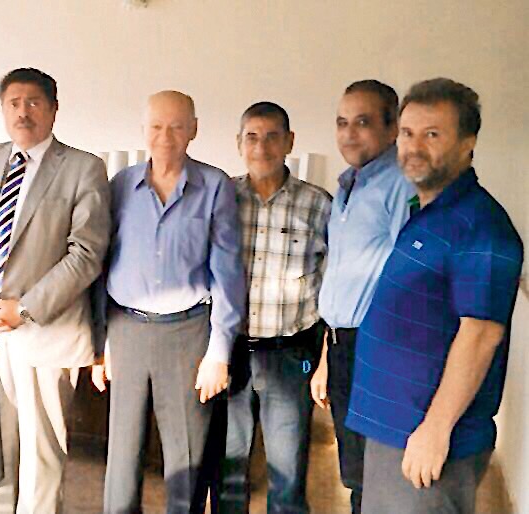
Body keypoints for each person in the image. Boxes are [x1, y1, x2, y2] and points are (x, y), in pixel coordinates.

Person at [346, 78, 523, 513]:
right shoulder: (426, 213)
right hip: (395, 429)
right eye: (408, 133)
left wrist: (435, 430)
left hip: (428, 441)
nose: (414, 147)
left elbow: (481, 334)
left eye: (432, 134)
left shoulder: (482, 226)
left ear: (468, 143)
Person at [0, 67, 110, 513]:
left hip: (48, 331)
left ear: (54, 110)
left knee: (40, 456)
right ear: (2, 109)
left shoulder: (83, 168)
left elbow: (86, 254)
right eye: (13, 103)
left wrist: (25, 309)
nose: (23, 112)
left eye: (34, 102)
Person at [92, 90, 245, 513]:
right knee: (122, 455)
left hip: (188, 332)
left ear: (193, 130)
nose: (165, 137)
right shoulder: (121, 185)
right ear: (143, 129)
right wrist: (101, 344)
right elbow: (102, 265)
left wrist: (219, 353)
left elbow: (228, 274)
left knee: (186, 458)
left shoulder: (215, 186)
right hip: (126, 329)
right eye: (157, 126)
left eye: (177, 126)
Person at [219, 102, 332, 514]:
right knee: (228, 473)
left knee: (288, 476)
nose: (261, 147)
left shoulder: (319, 205)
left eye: (272, 137)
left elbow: (334, 291)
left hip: (291, 354)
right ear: (239, 143)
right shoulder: (222, 199)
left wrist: (324, 360)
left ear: (289, 142)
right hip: (231, 353)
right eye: (252, 137)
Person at [310, 80, 415, 514]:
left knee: (378, 473)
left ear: (392, 129)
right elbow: (341, 281)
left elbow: (410, 279)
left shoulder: (400, 185)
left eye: (363, 122)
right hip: (341, 344)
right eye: (342, 122)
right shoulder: (348, 186)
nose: (349, 133)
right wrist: (324, 358)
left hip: (377, 346)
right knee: (355, 468)